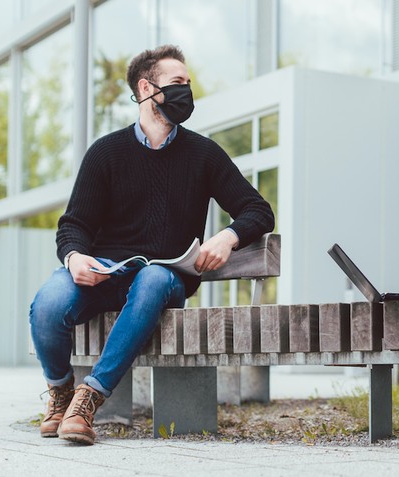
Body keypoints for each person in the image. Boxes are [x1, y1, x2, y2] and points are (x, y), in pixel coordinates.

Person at [29, 45, 275, 446]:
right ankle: (60, 393)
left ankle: (88, 399)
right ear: (147, 88)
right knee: (50, 303)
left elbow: (258, 210)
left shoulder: (203, 153)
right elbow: (73, 225)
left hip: (164, 280)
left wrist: (228, 236)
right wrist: (74, 258)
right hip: (106, 272)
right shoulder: (106, 152)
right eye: (177, 83)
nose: (187, 91)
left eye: (188, 84)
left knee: (154, 277)